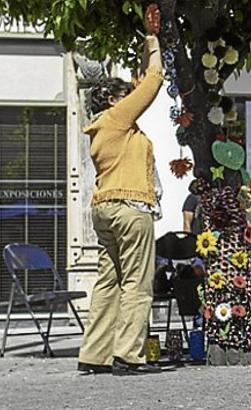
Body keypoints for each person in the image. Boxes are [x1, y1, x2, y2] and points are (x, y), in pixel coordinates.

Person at [77, 34, 165, 376]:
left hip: (104, 208)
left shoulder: (104, 129)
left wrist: (142, 51)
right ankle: (128, 353)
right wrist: (155, 45)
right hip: (131, 207)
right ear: (114, 100)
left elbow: (141, 80)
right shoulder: (118, 118)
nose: (133, 98)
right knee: (137, 284)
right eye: (127, 96)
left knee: (108, 281)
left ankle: (94, 354)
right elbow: (153, 81)